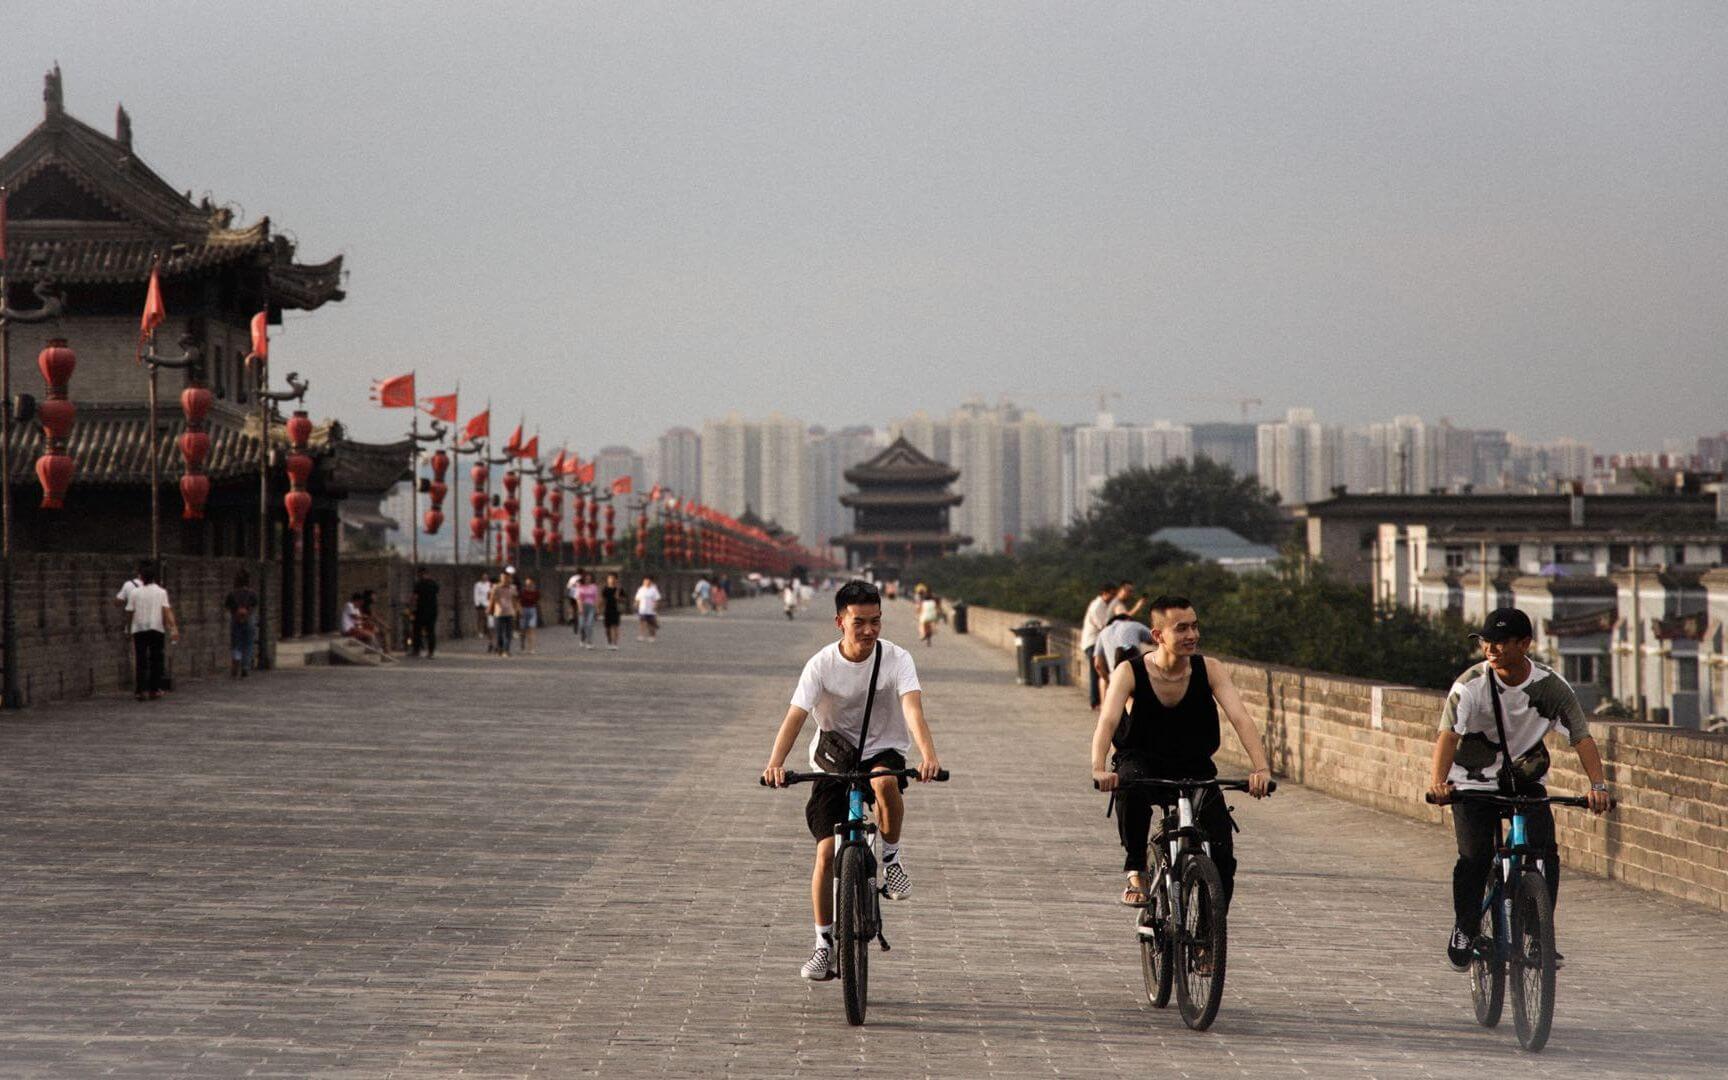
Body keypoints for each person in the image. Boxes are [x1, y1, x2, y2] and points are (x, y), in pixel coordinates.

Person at [762, 580, 943, 981]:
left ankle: (892, 857)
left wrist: (929, 756)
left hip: (882, 751)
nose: (869, 630)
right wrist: (775, 763)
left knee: (883, 783)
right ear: (839, 621)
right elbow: (796, 715)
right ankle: (823, 944)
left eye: (875, 621)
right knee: (826, 854)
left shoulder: (897, 659)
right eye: (859, 622)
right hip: (834, 759)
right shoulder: (821, 665)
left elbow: (913, 710)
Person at [1428, 607, 1610, 971]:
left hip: (1523, 780)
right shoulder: (1470, 686)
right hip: (1471, 783)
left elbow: (1581, 737)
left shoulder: (1550, 686)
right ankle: (1465, 928)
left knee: (1544, 850)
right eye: (1486, 643)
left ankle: (1538, 933)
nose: (1491, 650)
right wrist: (1438, 783)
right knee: (1475, 857)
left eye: (1500, 643)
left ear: (1524, 644)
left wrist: (1598, 786)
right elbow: (1448, 735)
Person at [1092, 596, 1272, 929]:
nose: (1192, 634)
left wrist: (1261, 769)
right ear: (1158, 635)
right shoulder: (1130, 671)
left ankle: (1207, 936)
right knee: (1129, 785)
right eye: (1182, 628)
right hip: (1142, 761)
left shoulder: (1209, 668)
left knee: (1222, 857)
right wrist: (1099, 768)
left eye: (1194, 626)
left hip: (1193, 765)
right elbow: (1107, 721)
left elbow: (1240, 718)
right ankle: (1136, 871)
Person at [125, 565, 178, 700]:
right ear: (154, 578)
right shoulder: (161, 592)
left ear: (141, 578)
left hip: (139, 628)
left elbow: (130, 612)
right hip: (156, 628)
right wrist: (173, 628)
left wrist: (128, 628)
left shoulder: (135, 593)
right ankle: (154, 689)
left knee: (141, 660)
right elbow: (166, 611)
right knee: (156, 660)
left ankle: (140, 690)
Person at [1092, 611, 1153, 694]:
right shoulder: (1134, 624)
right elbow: (1156, 638)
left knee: (1103, 683)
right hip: (1135, 675)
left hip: (1115, 678)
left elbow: (1097, 664)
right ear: (1128, 619)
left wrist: (1107, 680)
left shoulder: (1103, 632)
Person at [1079, 582, 1118, 710]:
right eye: (1111, 594)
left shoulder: (1102, 605)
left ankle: (1097, 701)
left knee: (1098, 672)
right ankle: (1095, 701)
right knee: (1098, 671)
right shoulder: (1097, 606)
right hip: (1093, 643)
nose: (1113, 597)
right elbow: (1103, 626)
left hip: (1096, 642)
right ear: (1104, 593)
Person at [223, 570, 259, 677]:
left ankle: (236, 660)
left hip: (235, 619)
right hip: (249, 620)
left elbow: (227, 606)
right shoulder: (252, 593)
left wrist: (236, 613)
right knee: (248, 644)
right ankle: (245, 666)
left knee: (236, 642)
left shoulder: (232, 594)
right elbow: (254, 605)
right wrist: (247, 614)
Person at [342, 591, 391, 658]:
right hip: (348, 630)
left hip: (354, 629)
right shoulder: (348, 605)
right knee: (370, 635)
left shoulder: (356, 609)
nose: (360, 605)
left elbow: (359, 621)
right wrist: (366, 619)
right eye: (359, 603)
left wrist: (367, 625)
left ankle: (379, 650)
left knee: (371, 634)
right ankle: (378, 651)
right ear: (356, 601)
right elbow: (355, 617)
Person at [489, 571, 521, 657]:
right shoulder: (496, 587)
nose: (505, 580)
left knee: (508, 633)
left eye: (507, 578)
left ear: (509, 578)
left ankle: (506, 650)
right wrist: (489, 608)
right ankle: (500, 648)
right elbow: (492, 599)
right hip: (498, 613)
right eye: (503, 578)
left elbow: (515, 600)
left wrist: (517, 610)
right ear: (500, 578)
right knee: (499, 633)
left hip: (509, 612)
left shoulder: (512, 588)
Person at [411, 567, 440, 658]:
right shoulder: (434, 583)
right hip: (432, 610)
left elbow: (415, 597)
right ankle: (430, 652)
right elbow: (437, 593)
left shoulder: (418, 584)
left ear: (420, 573)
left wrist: (411, 607)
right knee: (430, 631)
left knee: (417, 630)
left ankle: (416, 650)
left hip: (421, 610)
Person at [573, 573, 599, 649]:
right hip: (582, 606)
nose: (588, 580)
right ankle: (582, 638)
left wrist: (597, 608)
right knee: (582, 625)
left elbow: (596, 598)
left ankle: (589, 642)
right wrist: (580, 608)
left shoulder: (594, 587)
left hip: (591, 607)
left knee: (589, 624)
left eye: (589, 578)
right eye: (586, 578)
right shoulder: (580, 587)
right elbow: (578, 598)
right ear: (583, 579)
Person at [600, 572, 625, 649]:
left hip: (616, 609)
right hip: (607, 609)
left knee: (615, 626)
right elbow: (602, 600)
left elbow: (624, 599)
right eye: (610, 578)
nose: (611, 580)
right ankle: (609, 642)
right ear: (607, 580)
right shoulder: (605, 589)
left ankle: (615, 643)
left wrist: (619, 598)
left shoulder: (619, 589)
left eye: (613, 578)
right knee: (607, 628)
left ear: (616, 579)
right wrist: (599, 608)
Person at [634, 575, 663, 642]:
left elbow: (657, 599)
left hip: (651, 610)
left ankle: (652, 636)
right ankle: (641, 635)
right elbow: (638, 598)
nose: (646, 582)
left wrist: (656, 606)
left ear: (650, 582)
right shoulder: (641, 589)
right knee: (642, 623)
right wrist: (636, 604)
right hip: (642, 609)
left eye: (648, 581)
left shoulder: (653, 589)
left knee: (650, 624)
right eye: (645, 581)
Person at [519, 576, 541, 654]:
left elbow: (537, 601)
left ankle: (531, 648)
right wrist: (520, 610)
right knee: (523, 630)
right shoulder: (522, 592)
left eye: (530, 583)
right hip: (524, 609)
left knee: (531, 629)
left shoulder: (536, 592)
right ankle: (522, 644)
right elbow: (519, 602)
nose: (528, 585)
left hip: (532, 610)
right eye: (527, 584)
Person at [473, 573, 493, 647]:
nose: (485, 578)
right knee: (480, 617)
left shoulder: (489, 584)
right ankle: (480, 631)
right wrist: (477, 603)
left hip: (487, 603)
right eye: (483, 577)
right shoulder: (478, 584)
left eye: (486, 577)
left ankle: (487, 631)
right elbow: (476, 594)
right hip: (480, 603)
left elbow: (491, 593)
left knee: (487, 618)